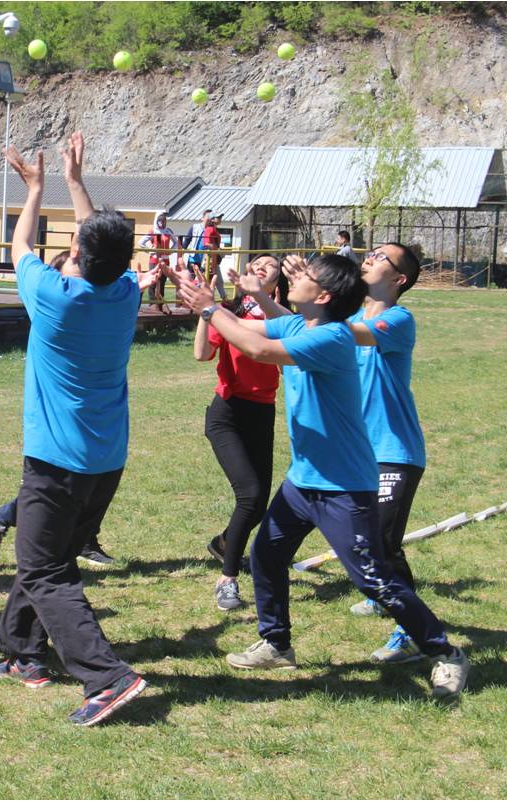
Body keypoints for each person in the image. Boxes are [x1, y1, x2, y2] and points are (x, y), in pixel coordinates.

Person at [173, 253, 469, 699]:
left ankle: (445, 652)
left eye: (306, 276)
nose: (294, 279)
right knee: (266, 556)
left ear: (324, 296)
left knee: (372, 578)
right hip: (303, 480)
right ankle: (276, 644)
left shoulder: (333, 337)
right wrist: (214, 305)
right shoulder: (299, 324)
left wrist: (210, 308)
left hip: (343, 486)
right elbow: (245, 329)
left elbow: (259, 350)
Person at [0, 132, 159, 727]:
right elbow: (96, 246)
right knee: (52, 553)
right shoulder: (126, 293)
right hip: (106, 460)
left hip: (56, 461)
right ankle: (21, 652)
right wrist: (74, 182)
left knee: (43, 567)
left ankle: (106, 677)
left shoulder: (55, 297)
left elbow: (19, 244)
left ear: (79, 254)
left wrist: (35, 190)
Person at [0, 250, 117, 568]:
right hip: (58, 420)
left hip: (94, 415)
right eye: (74, 266)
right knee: (55, 487)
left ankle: (80, 539)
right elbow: (22, 247)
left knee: (85, 480)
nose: (81, 273)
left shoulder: (93, 302)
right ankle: (0, 521)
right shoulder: (52, 308)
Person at [344, 243, 428, 664]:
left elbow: (347, 335)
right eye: (371, 253)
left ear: (399, 279)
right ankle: (382, 597)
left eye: (381, 257)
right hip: (359, 453)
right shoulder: (351, 318)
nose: (370, 258)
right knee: (361, 538)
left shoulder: (398, 319)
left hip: (395, 451)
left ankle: (413, 633)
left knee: (384, 543)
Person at [193, 254, 283, 611]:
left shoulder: (283, 317)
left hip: (262, 412)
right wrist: (206, 311)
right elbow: (202, 354)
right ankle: (227, 580)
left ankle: (224, 544)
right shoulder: (227, 312)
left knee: (258, 504)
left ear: (277, 281)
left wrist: (266, 306)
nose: (261, 266)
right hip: (226, 414)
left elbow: (282, 358)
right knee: (250, 494)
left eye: (270, 266)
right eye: (256, 262)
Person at [139, 211, 178, 314]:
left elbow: (176, 242)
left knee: (162, 282)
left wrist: (171, 250)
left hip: (165, 260)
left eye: (164, 220)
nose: (163, 222)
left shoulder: (168, 231)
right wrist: (150, 250)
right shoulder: (153, 231)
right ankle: (152, 303)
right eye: (161, 220)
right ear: (157, 220)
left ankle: (160, 304)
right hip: (154, 260)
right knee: (153, 281)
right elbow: (141, 242)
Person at [181, 210, 212, 281]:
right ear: (203, 218)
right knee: (190, 278)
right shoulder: (195, 227)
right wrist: (182, 251)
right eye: (208, 216)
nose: (209, 218)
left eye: (211, 217)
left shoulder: (211, 229)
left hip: (205, 259)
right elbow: (187, 239)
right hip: (194, 257)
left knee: (202, 280)